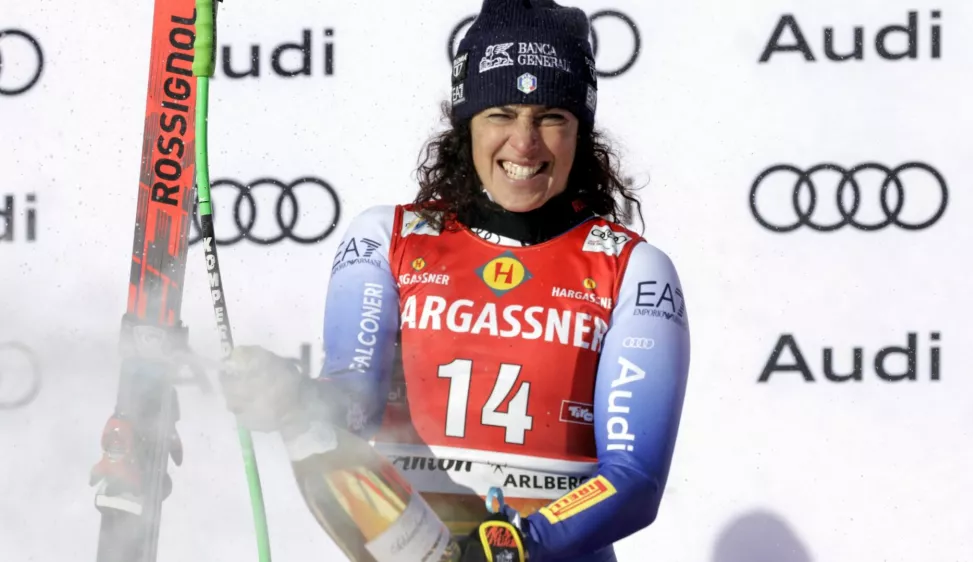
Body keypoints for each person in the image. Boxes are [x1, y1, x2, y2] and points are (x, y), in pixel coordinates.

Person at [220, 1, 691, 560]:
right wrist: (294, 396)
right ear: (466, 123)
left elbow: (635, 478)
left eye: (550, 117)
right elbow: (353, 403)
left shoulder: (632, 268)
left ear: (581, 131)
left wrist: (519, 544)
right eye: (501, 113)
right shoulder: (389, 238)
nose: (524, 143)